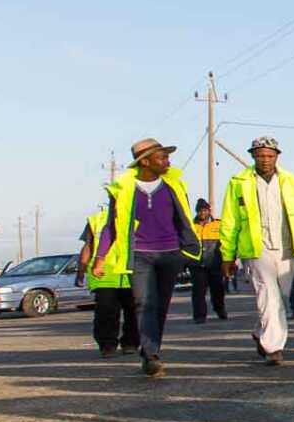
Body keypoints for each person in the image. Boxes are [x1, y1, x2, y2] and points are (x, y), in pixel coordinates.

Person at [90, 137, 202, 377]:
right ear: (146, 161)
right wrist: (100, 257)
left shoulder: (173, 186)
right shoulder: (123, 190)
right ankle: (152, 356)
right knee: (143, 303)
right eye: (163, 157)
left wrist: (187, 250)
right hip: (140, 255)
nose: (168, 162)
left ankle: (150, 349)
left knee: (160, 306)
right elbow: (112, 226)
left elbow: (182, 219)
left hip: (170, 253)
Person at [219, 136, 294, 365]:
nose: (265, 160)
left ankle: (261, 332)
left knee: (281, 297)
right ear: (252, 156)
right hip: (257, 249)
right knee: (268, 294)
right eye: (260, 155)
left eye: (269, 155)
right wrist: (227, 255)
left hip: (287, 246)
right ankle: (273, 348)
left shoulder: (291, 181)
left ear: (277, 156)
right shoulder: (239, 182)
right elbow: (229, 221)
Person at [76, 204, 138, 356]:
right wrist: (81, 270)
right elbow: (88, 247)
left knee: (129, 310)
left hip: (131, 272)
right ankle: (109, 345)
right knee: (110, 312)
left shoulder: (139, 218)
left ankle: (127, 343)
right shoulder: (96, 220)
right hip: (104, 274)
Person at [189, 199, 229, 322]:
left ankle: (220, 309)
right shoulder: (191, 226)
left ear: (209, 211)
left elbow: (226, 242)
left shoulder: (218, 224)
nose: (202, 213)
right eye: (200, 211)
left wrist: (228, 259)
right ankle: (199, 316)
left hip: (215, 263)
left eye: (205, 210)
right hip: (197, 265)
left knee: (218, 290)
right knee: (198, 291)